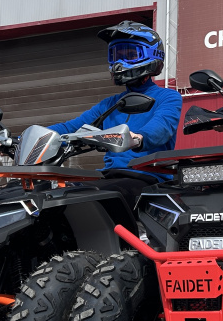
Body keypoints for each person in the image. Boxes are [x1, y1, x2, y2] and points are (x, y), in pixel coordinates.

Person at [47, 21, 182, 198]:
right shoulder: (110, 104)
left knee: (95, 197)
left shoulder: (168, 97)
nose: (119, 63)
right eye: (116, 55)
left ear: (152, 55)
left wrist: (137, 138)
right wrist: (26, 138)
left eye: (130, 55)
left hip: (147, 177)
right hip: (109, 176)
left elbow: (161, 127)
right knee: (59, 194)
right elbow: (70, 128)